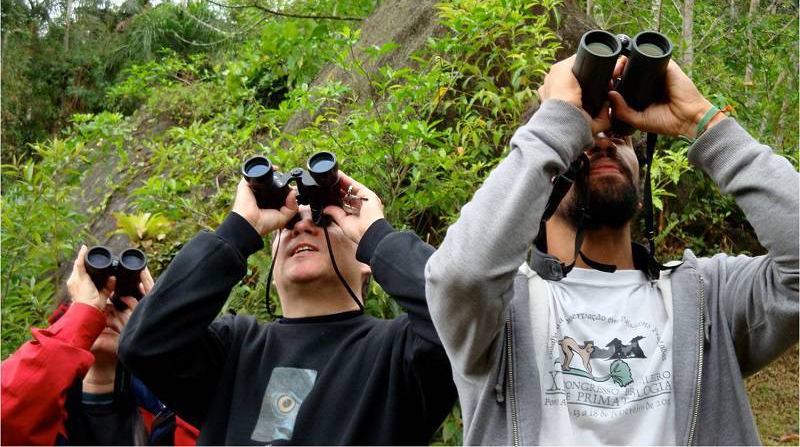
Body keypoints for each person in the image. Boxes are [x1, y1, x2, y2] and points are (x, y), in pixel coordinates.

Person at [425, 55, 798, 445]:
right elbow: (459, 276)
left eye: (619, 136)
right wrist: (556, 123)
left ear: (640, 180)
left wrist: (700, 120)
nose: (603, 143)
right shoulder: (500, 311)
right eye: (584, 141)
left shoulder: (710, 297)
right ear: (539, 179)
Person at [118, 170, 457, 445]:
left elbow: (461, 311)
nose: (303, 226)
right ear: (272, 261)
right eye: (288, 225)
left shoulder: (399, 353)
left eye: (324, 221)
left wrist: (378, 234)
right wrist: (238, 229)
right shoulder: (233, 350)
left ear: (366, 258)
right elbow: (145, 345)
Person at [1, 246, 199, 445]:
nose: (106, 310)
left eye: (121, 304)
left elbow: (207, 429)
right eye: (95, 301)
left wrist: (161, 345)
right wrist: (82, 319)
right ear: (68, 314)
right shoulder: (42, 408)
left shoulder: (165, 403)